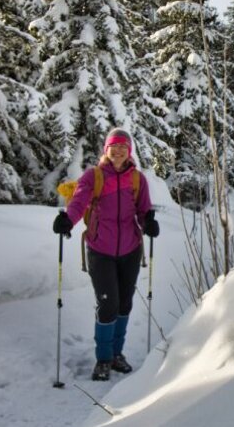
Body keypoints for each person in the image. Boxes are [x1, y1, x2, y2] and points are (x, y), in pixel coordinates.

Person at [52, 128, 160, 381]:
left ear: (129, 151)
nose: (119, 151)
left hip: (131, 250)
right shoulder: (95, 176)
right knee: (108, 304)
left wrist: (149, 223)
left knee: (124, 304)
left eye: (124, 147)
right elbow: (79, 201)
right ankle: (103, 358)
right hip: (100, 249)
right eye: (114, 146)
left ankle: (116, 354)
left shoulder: (137, 179)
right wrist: (68, 219)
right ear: (106, 149)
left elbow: (144, 210)